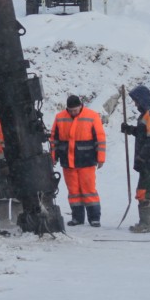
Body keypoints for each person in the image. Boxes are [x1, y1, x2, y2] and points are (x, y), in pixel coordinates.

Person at [50, 94, 106, 227]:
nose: (74, 112)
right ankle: (77, 217)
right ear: (67, 109)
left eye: (76, 110)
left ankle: (94, 218)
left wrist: (101, 158)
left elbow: (100, 138)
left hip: (87, 161)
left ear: (81, 106)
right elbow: (54, 140)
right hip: (68, 162)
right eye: (71, 110)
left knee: (89, 190)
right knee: (73, 191)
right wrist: (53, 157)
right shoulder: (59, 117)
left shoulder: (92, 116)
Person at [120, 84, 150, 233]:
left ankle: (145, 224)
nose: (135, 104)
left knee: (143, 191)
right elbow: (144, 134)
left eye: (136, 101)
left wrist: (142, 157)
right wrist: (130, 130)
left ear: (142, 100)